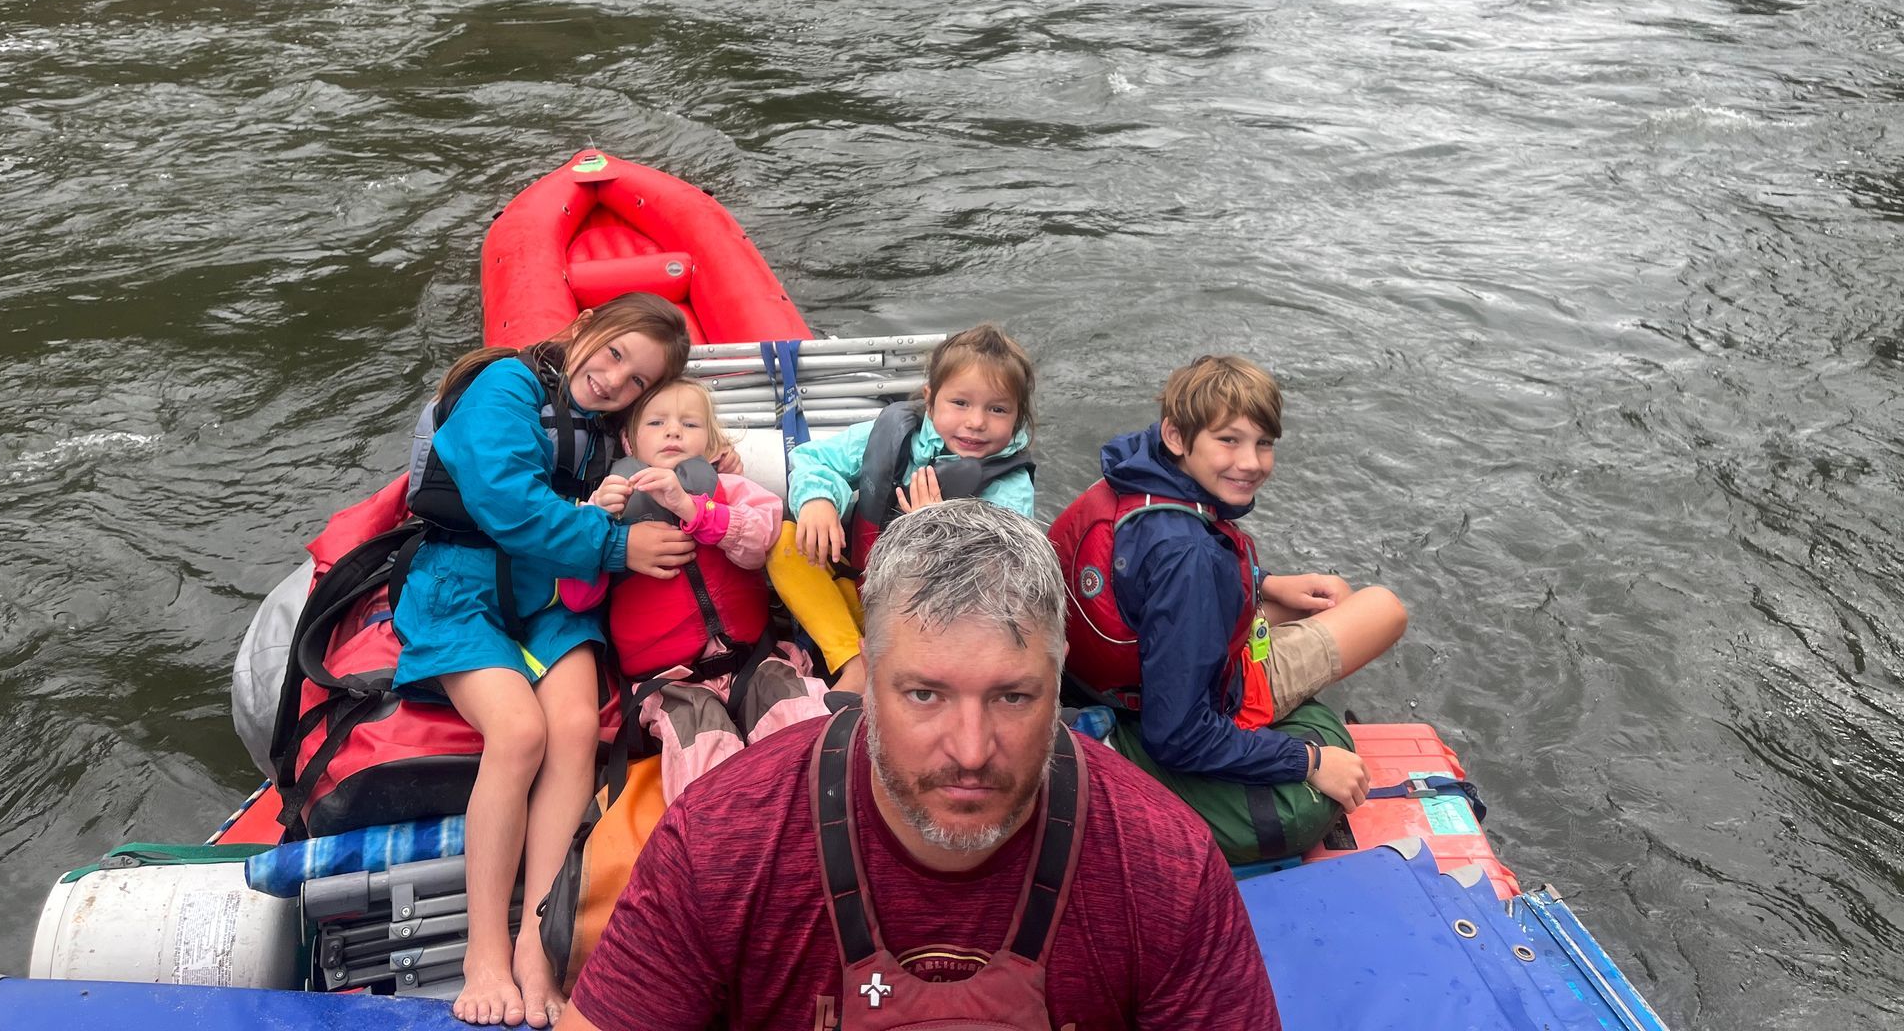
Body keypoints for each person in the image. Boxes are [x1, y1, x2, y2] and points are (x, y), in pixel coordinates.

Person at [560, 499, 1279, 1031]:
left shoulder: (1164, 866)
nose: (970, 749)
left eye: (1013, 696)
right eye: (925, 694)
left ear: (1059, 685)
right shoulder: (720, 844)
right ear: (864, 680)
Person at [392, 293, 694, 1028]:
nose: (615, 382)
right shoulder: (506, 386)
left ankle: (537, 939)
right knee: (520, 733)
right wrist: (618, 548)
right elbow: (509, 504)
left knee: (573, 727)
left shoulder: (601, 425)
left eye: (635, 383)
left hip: (548, 595)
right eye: (614, 354)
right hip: (459, 588)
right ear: (587, 327)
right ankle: (484, 951)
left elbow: (661, 456)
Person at [1051, 354, 1408, 865]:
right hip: (1171, 700)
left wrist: (1264, 586)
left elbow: (1142, 579)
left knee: (1330, 593)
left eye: (1263, 443)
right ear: (1177, 437)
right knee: (1382, 609)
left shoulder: (1130, 473)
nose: (1251, 462)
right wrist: (1309, 760)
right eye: (1229, 440)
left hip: (1106, 678)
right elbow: (1178, 735)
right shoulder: (1188, 556)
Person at [773, 324, 1038, 696]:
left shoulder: (1009, 488)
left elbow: (998, 580)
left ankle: (890, 666)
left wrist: (935, 529)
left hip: (929, 616)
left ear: (1017, 418)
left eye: (997, 409)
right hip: (862, 588)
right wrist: (818, 499)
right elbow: (813, 459)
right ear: (930, 400)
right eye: (960, 403)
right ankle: (853, 662)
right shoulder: (894, 434)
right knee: (785, 541)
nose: (976, 422)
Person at [600, 378, 829, 805]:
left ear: (711, 445)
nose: (673, 431)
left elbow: (761, 541)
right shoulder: (606, 511)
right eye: (657, 422)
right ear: (629, 443)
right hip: (671, 685)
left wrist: (694, 508)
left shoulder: (733, 492)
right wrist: (594, 530)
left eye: (689, 424)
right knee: (705, 752)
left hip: (755, 662)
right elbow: (577, 599)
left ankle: (814, 817)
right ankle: (722, 840)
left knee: (801, 721)